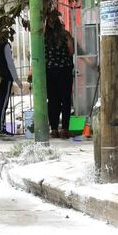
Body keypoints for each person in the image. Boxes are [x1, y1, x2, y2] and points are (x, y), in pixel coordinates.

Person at [44, 11, 75, 139]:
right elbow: (71, 51)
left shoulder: (44, 37)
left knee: (53, 100)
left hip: (50, 71)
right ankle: (65, 129)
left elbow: (42, 55)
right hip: (65, 70)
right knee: (65, 99)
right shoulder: (66, 35)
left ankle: (54, 129)